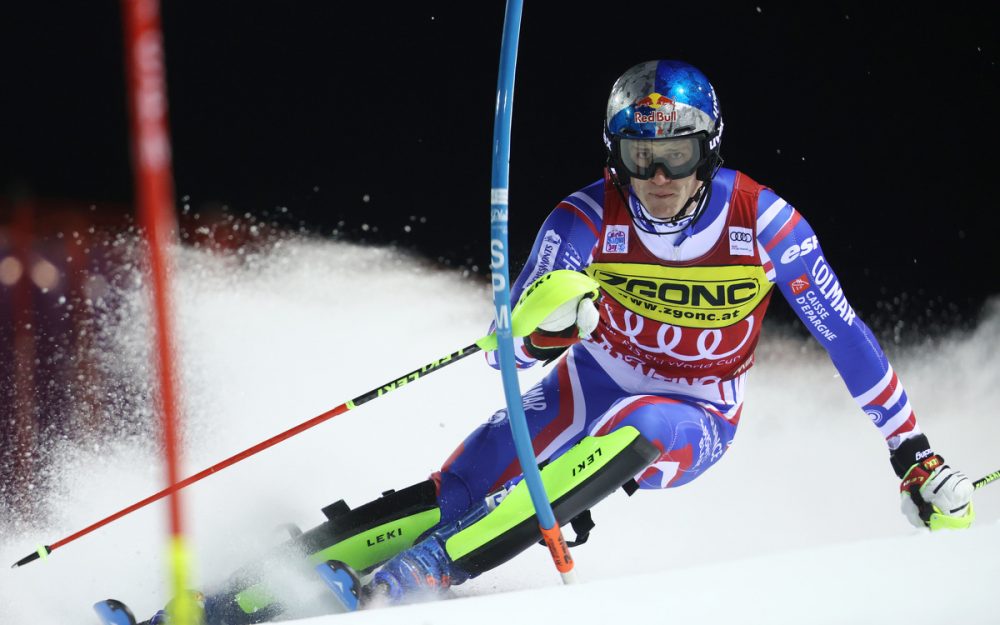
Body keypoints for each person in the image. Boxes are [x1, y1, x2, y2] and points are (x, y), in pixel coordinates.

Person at [136, 59, 976, 624]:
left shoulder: (767, 223)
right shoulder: (582, 219)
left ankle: (411, 579)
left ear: (709, 150)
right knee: (463, 481)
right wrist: (545, 319)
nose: (659, 178)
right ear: (614, 154)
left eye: (677, 155)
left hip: (696, 415)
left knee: (636, 427)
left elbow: (846, 336)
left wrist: (914, 453)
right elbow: (517, 350)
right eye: (640, 155)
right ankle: (224, 598)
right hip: (591, 379)